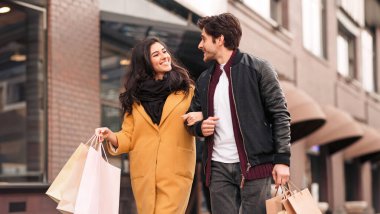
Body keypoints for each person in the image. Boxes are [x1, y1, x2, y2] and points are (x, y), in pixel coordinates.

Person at [186, 13, 291, 214]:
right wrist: (200, 127)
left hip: (255, 166)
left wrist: (282, 161)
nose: (200, 45)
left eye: (204, 39)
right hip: (217, 168)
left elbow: (280, 115)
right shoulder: (204, 79)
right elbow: (190, 117)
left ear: (220, 40)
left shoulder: (259, 68)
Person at [95, 37, 202, 214]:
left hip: (175, 172)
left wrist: (201, 115)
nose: (164, 56)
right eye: (156, 54)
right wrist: (110, 135)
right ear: (145, 62)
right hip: (144, 175)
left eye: (164, 51)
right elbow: (128, 137)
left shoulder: (186, 90)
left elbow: (205, 115)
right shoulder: (134, 98)